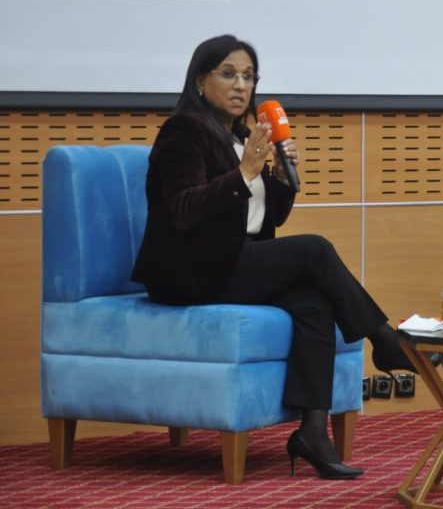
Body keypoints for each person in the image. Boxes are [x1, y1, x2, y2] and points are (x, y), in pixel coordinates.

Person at [131, 34, 421, 479]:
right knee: (315, 249)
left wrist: (283, 176)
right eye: (229, 74)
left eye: (249, 77)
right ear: (200, 81)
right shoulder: (183, 132)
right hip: (188, 271)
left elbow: (268, 217)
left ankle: (312, 433)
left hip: (233, 260)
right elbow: (183, 210)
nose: (241, 85)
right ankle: (384, 340)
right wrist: (245, 170)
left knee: (315, 303)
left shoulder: (243, 137)